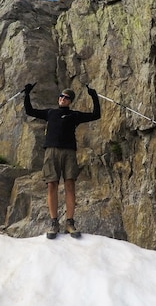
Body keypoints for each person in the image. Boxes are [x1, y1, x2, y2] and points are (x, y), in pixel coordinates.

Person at [24, 83, 101, 239]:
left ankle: (70, 222)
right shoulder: (50, 113)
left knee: (70, 185)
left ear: (70, 101)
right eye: (61, 96)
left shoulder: (74, 115)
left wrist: (94, 96)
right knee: (51, 184)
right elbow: (29, 110)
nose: (63, 99)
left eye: (66, 97)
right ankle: (54, 222)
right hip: (51, 151)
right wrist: (27, 94)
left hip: (69, 152)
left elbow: (96, 115)